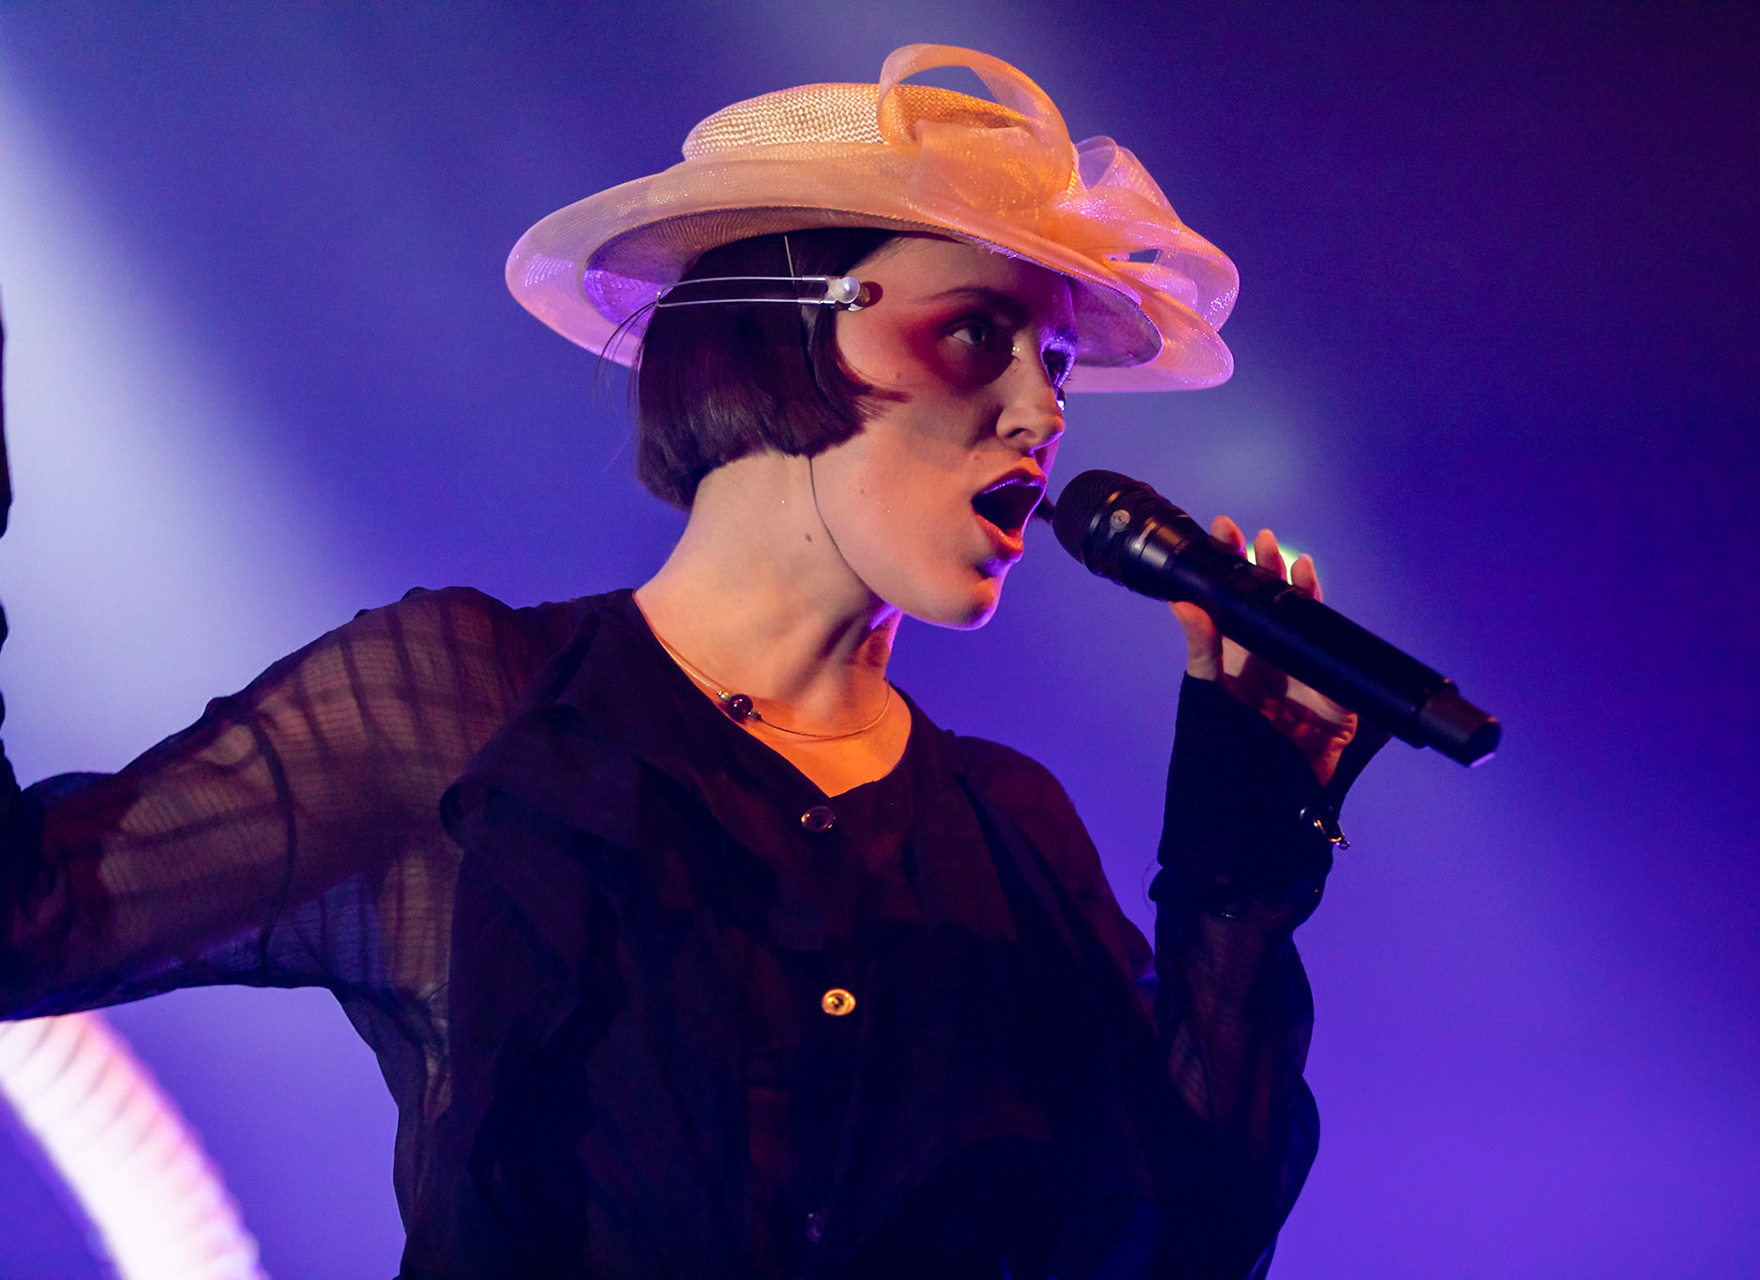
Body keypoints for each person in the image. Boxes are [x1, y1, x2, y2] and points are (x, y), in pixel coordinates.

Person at [0, 43, 1379, 1279]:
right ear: (786, 325)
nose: (1040, 410)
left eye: (1059, 364)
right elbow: (30, 923)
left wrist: (1239, 868)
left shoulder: (1004, 830)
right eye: (977, 332)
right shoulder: (468, 715)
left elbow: (1178, 1246)